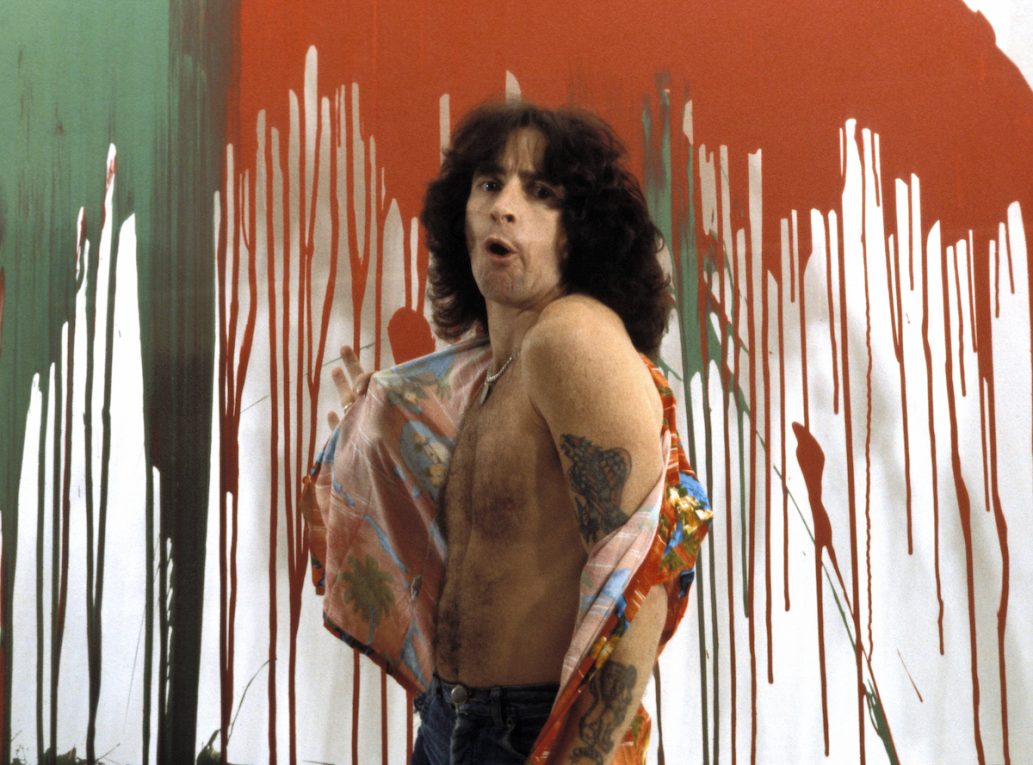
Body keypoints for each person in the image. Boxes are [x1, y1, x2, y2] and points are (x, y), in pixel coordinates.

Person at [311, 101, 710, 765]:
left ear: (578, 232)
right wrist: (382, 426)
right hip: (451, 720)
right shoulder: (490, 369)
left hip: (527, 733)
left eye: (540, 192)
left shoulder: (570, 340)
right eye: (489, 184)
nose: (504, 207)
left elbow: (640, 584)